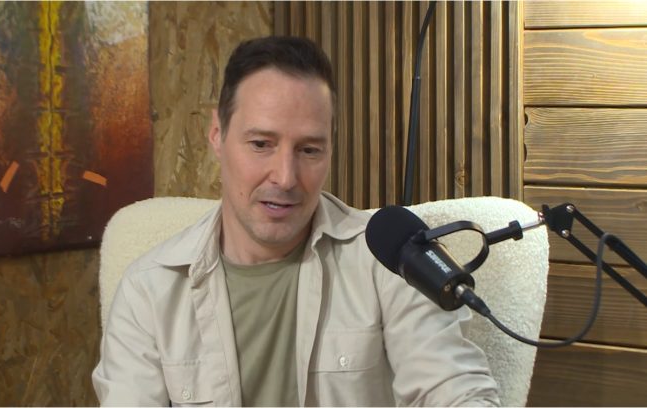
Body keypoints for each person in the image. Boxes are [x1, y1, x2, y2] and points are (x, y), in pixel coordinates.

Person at [92, 36, 500, 407]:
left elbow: (456, 391)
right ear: (217, 134)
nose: (286, 178)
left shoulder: (389, 262)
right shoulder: (148, 291)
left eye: (309, 150)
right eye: (261, 144)